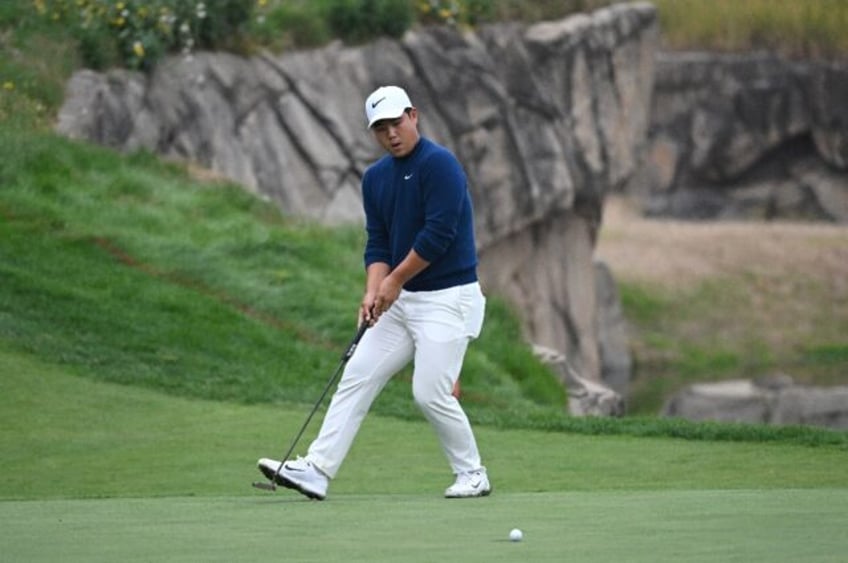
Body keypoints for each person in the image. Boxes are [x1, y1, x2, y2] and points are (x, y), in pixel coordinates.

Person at [257, 85, 490, 500]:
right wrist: (372, 292)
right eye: (380, 128)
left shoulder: (441, 165)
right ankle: (316, 469)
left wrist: (393, 282)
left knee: (427, 392)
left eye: (396, 122)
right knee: (357, 375)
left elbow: (438, 237)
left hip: (449, 298)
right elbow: (378, 242)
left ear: (413, 115)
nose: (391, 134)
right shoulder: (375, 178)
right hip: (402, 301)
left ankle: (473, 474)